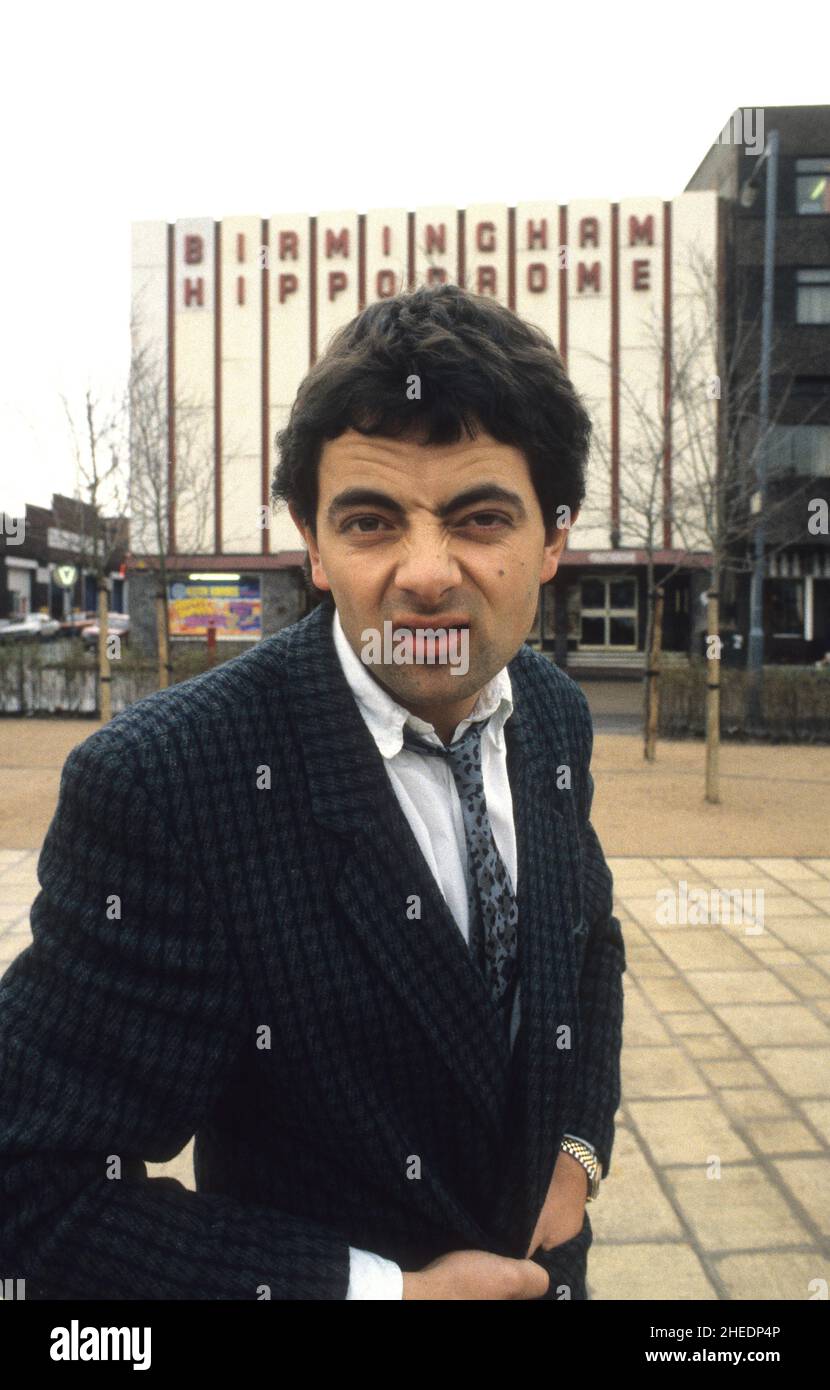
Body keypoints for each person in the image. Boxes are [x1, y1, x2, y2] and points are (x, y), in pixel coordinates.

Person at [0, 283, 625, 1300]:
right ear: (314, 543)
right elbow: (30, 1187)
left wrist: (576, 1148)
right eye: (373, 520)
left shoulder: (550, 712)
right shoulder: (169, 784)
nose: (426, 572)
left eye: (477, 517)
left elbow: (587, 938)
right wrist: (384, 1294)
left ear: (551, 541)